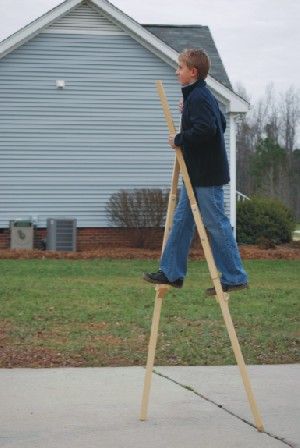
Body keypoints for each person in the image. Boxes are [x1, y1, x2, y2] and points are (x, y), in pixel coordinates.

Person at [143, 48, 248, 296]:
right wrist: (187, 111)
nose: (176, 71)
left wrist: (179, 138)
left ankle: (234, 276)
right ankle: (172, 272)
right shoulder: (198, 96)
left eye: (180, 67)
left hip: (206, 176)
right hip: (195, 175)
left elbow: (209, 130)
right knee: (181, 222)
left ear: (193, 72)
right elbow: (219, 122)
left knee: (215, 225)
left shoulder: (199, 97)